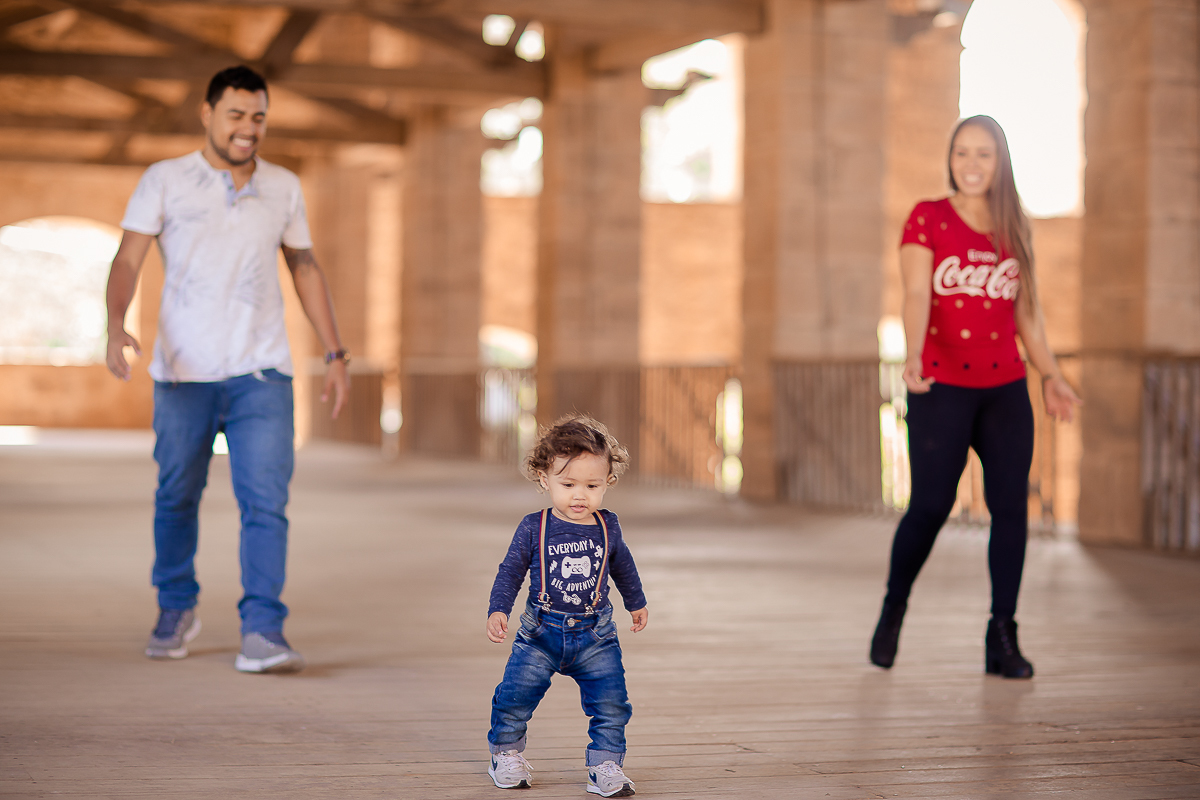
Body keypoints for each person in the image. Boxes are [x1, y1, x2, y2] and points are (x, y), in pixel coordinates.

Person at [105, 65, 350, 674]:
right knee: (176, 495)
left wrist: (335, 352)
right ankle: (175, 606)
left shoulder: (284, 186)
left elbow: (306, 268)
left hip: (261, 374)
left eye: (258, 117)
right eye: (237, 115)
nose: (248, 128)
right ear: (208, 114)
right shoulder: (165, 180)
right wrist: (115, 323)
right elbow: (127, 259)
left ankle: (263, 630)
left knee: (266, 503)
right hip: (183, 374)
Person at [869, 115, 1081, 679]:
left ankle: (1002, 634)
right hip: (941, 385)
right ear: (951, 158)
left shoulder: (1016, 226)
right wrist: (912, 353)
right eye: (962, 153)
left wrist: (1053, 376)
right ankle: (894, 609)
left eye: (983, 154)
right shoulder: (928, 217)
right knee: (932, 506)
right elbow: (916, 291)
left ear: (1000, 161)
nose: (971, 164)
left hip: (1006, 388)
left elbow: (1028, 316)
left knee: (1011, 509)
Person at [485, 415, 648, 797]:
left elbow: (622, 564)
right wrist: (499, 609)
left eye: (592, 485)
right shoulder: (533, 526)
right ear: (545, 479)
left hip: (596, 635)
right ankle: (506, 754)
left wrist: (635, 602)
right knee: (515, 696)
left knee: (612, 701)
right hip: (540, 632)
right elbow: (510, 572)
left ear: (608, 482)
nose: (580, 495)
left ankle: (605, 764)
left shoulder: (608, 526)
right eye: (568, 484)